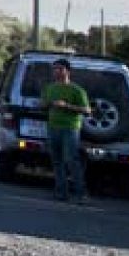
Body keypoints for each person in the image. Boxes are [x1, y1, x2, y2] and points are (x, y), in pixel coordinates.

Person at [42, 58, 92, 204]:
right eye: (54, 69)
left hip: (70, 128)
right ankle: (61, 192)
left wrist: (67, 106)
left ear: (67, 71)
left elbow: (87, 110)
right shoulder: (49, 88)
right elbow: (43, 104)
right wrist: (49, 104)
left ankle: (81, 193)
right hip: (53, 127)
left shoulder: (77, 90)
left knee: (71, 160)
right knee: (56, 161)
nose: (56, 71)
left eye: (60, 68)